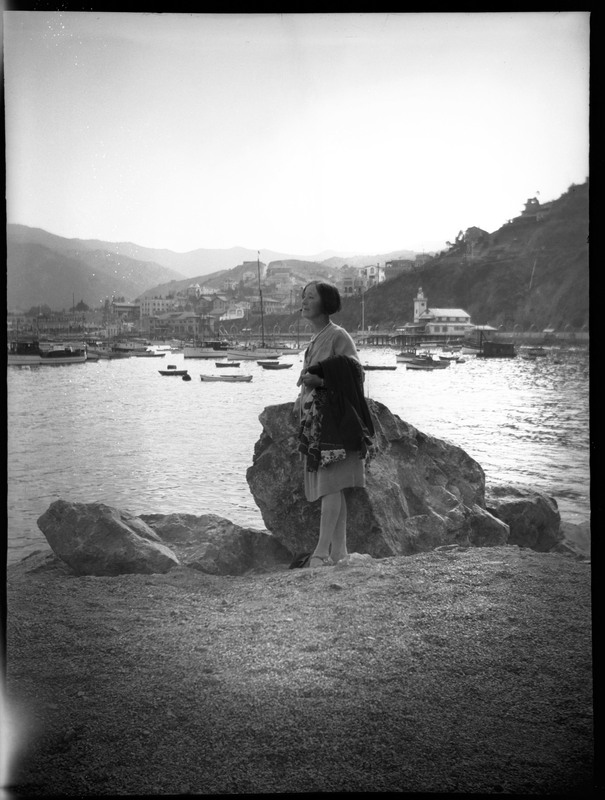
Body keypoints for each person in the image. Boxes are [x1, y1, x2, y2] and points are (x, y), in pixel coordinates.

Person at [295, 281, 375, 568]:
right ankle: (339, 553)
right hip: (318, 423)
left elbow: (356, 375)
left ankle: (319, 553)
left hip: (336, 424)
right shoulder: (317, 338)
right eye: (303, 296)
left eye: (311, 297)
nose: (304, 301)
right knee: (334, 486)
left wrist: (323, 381)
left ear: (325, 303)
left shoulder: (338, 336)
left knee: (330, 486)